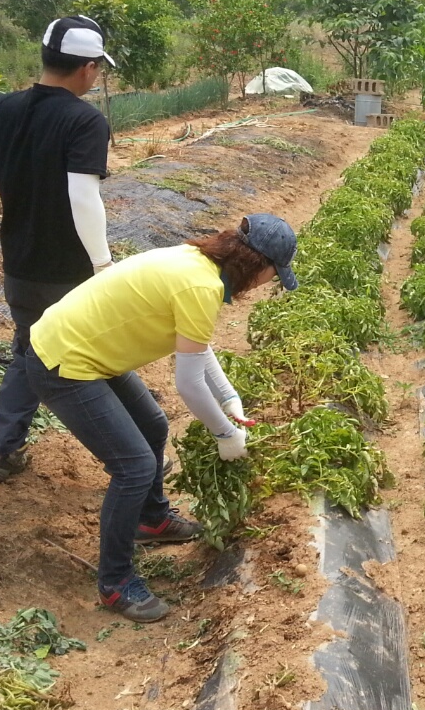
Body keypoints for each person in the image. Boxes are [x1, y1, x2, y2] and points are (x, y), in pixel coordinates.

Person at [25, 214, 299, 622]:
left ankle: (151, 520)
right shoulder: (201, 285)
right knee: (132, 466)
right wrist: (225, 433)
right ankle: (115, 583)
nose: (267, 284)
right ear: (257, 264)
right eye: (274, 275)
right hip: (64, 360)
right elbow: (187, 382)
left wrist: (229, 397)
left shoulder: (198, 263)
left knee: (152, 425)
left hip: (92, 351)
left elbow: (196, 345)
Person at [0, 15, 116, 483]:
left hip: (20, 262)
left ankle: (3, 450)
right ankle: (130, 455)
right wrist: (103, 263)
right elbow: (82, 197)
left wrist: (21, 193)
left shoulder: (0, 107)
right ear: (88, 68)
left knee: (29, 350)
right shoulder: (84, 120)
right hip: (68, 270)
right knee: (97, 360)